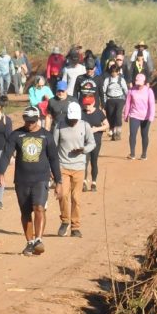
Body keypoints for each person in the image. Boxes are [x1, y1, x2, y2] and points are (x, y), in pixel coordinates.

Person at [0, 107, 62, 256]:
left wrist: (58, 181)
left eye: (33, 121)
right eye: (28, 121)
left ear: (38, 119)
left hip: (41, 179)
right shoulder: (16, 135)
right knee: (25, 212)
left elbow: (54, 158)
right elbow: (6, 154)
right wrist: (1, 172)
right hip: (22, 180)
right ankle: (30, 242)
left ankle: (38, 240)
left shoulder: (46, 136)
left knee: (39, 207)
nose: (30, 124)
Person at [53, 102, 95, 238]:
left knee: (76, 198)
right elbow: (53, 147)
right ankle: (65, 221)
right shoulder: (59, 126)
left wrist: (84, 149)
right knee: (63, 195)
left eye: (75, 119)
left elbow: (92, 143)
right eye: (71, 119)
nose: (73, 121)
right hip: (62, 165)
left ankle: (75, 227)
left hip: (79, 167)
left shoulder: (85, 125)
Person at [124, 72, 157, 160]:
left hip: (146, 117)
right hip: (134, 115)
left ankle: (144, 154)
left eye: (141, 84)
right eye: (137, 83)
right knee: (132, 134)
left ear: (144, 82)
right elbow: (128, 104)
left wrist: (151, 116)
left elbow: (152, 104)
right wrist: (126, 115)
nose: (139, 86)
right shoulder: (131, 90)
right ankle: (132, 153)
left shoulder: (149, 91)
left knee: (144, 134)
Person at [81, 95, 108, 192]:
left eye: (89, 104)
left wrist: (96, 129)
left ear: (93, 103)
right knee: (84, 161)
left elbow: (106, 125)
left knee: (94, 161)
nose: (87, 106)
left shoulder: (99, 112)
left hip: (96, 141)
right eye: (85, 104)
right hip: (84, 141)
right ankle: (83, 182)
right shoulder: (81, 113)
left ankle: (93, 182)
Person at [101, 62, 129, 141]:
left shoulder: (121, 79)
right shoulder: (107, 80)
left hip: (120, 99)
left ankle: (118, 132)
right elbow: (103, 91)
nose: (114, 73)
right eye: (112, 71)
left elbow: (125, 90)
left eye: (115, 71)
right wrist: (103, 101)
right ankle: (113, 132)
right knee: (110, 116)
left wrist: (129, 99)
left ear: (118, 72)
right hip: (110, 100)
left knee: (118, 115)